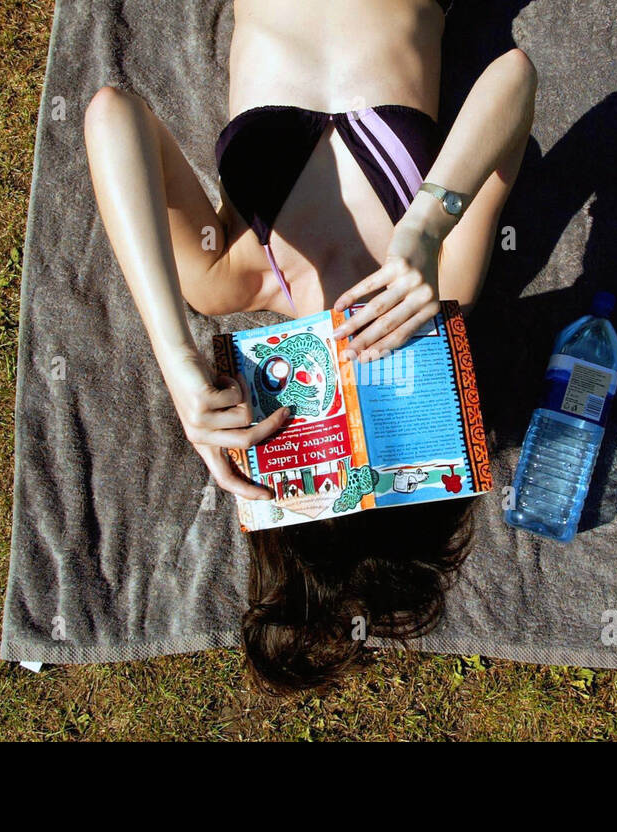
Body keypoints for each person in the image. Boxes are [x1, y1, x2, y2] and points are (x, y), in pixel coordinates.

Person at [84, 0, 536, 692]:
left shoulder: (230, 276)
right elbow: (514, 77)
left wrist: (175, 357)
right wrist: (424, 228)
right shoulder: (438, 285)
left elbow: (112, 114)